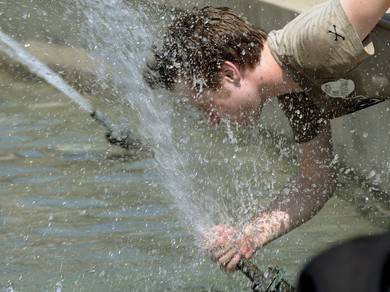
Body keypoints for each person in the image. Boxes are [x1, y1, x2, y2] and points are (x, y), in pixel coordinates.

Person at [144, 0, 390, 272]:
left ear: (229, 73)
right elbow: (315, 181)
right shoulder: (296, 93)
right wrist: (247, 238)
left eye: (206, 106)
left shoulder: (310, 41)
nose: (211, 120)